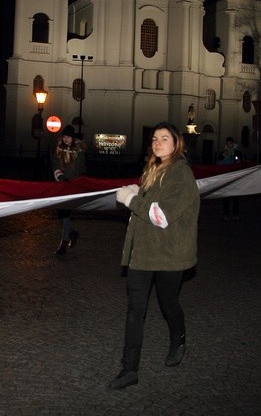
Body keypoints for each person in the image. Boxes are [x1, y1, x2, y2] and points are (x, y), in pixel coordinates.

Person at [109, 122, 200, 390]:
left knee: (168, 303)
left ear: (176, 144)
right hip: (144, 254)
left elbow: (160, 216)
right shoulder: (153, 170)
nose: (157, 143)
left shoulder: (181, 175)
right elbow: (152, 203)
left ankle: (178, 338)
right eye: (154, 139)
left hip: (170, 254)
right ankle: (129, 369)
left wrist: (130, 200)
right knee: (135, 310)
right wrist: (139, 192)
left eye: (164, 139)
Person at [51, 125, 87, 256]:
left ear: (73, 138)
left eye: (68, 137)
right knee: (60, 215)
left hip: (72, 187)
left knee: (65, 214)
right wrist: (60, 176)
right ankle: (72, 233)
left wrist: (79, 183)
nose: (66, 139)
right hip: (61, 186)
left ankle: (64, 243)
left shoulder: (79, 151)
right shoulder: (58, 150)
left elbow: (82, 168)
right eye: (64, 137)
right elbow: (55, 165)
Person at [217, 136, 243, 221]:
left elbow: (241, 163)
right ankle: (226, 214)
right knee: (226, 197)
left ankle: (235, 214)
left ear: (233, 144)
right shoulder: (223, 153)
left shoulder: (237, 153)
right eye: (227, 143)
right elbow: (219, 164)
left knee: (235, 197)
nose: (229, 145)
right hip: (226, 177)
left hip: (235, 177)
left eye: (230, 143)